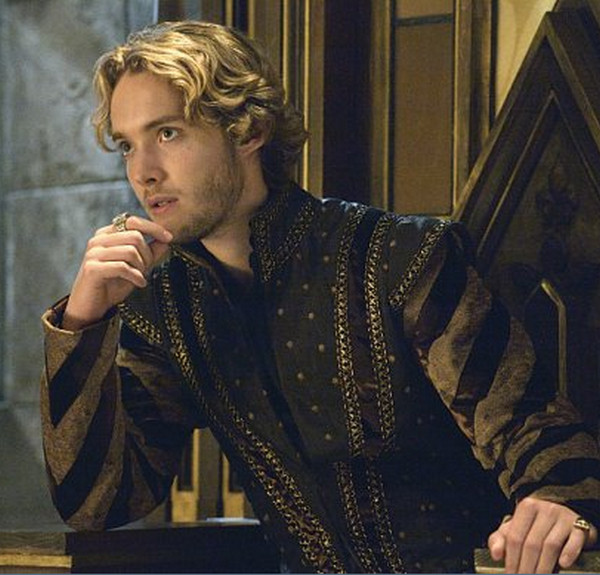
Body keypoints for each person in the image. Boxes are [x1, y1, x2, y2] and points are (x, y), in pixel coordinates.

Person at [40, 20, 600, 574]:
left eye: (167, 134)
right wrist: (82, 321)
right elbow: (99, 504)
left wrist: (556, 504)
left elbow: (538, 437)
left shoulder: (399, 258)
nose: (142, 173)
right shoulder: (166, 307)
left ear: (248, 130)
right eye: (127, 146)